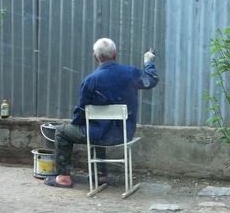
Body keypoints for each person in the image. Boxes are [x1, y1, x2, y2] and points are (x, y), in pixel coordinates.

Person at [44, 38, 159, 188]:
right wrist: (148, 61)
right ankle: (101, 176)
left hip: (98, 134)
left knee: (62, 131)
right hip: (124, 134)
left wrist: (75, 124)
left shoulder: (91, 80)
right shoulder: (130, 73)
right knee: (98, 127)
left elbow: (81, 111)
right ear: (115, 53)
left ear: (95, 57)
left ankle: (64, 177)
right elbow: (152, 80)